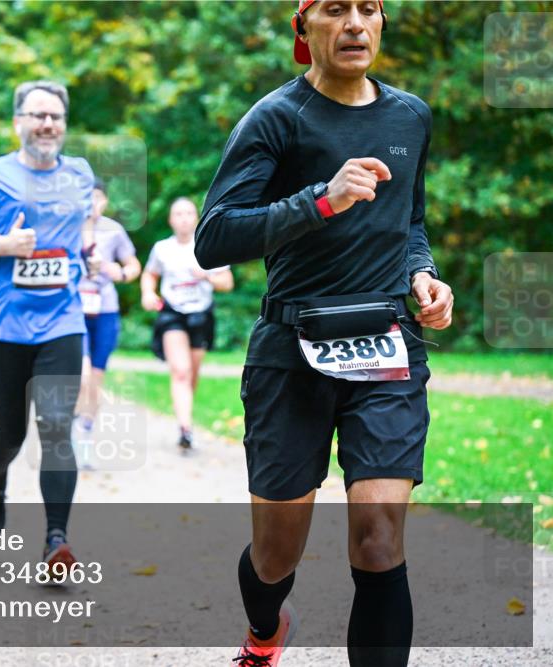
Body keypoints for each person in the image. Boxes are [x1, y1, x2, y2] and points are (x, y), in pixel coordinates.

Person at [193, 2, 454, 665]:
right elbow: (213, 238)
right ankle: (265, 628)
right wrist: (319, 200)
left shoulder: (410, 116)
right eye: (336, 9)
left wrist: (423, 274)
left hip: (386, 346)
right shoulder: (277, 118)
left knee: (377, 536)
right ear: (304, 28)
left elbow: (410, 221)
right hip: (291, 352)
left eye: (369, 7)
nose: (356, 23)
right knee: (277, 552)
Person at [0, 80, 94, 573]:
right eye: (37, 115)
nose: (47, 123)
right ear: (18, 122)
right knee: (10, 431)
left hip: (62, 320)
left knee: (56, 429)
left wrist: (88, 255)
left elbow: (82, 226)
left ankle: (57, 540)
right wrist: (5, 247)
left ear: (64, 125)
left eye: (55, 116)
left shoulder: (79, 174)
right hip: (2, 324)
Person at [141, 197, 233, 451]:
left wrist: (207, 277)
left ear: (196, 218)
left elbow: (227, 283)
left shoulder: (208, 247)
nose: (183, 218)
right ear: (171, 220)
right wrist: (148, 293)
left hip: (201, 316)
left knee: (191, 373)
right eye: (178, 214)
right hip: (172, 314)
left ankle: (185, 417)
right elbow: (150, 274)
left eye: (188, 213)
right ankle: (185, 428)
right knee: (180, 371)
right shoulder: (162, 249)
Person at [71, 177, 142, 468]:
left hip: (105, 310)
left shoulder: (114, 231)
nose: (92, 204)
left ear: (105, 202)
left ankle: (84, 432)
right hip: (74, 309)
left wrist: (119, 273)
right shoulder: (68, 229)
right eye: (87, 198)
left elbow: (134, 266)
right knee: (83, 375)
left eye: (97, 198)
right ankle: (74, 428)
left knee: (96, 380)